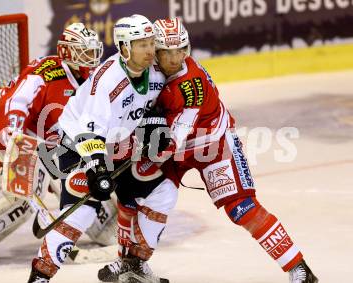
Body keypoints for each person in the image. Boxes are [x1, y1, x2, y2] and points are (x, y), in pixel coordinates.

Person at [98, 17, 319, 283]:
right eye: (169, 51)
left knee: (242, 207)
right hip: (172, 144)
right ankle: (132, 262)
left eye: (182, 49)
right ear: (154, 49)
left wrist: (137, 148)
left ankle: (299, 268)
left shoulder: (192, 85)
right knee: (136, 191)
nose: (177, 57)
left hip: (212, 144)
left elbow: (171, 142)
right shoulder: (147, 67)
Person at [0, 23, 117, 266]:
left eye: (90, 51)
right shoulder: (47, 71)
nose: (89, 57)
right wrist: (13, 135)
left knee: (83, 175)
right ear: (66, 52)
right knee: (19, 188)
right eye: (82, 51)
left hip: (45, 140)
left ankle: (105, 224)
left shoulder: (88, 78)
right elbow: (15, 102)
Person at [27, 14, 174, 283]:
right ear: (124, 47)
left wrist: (158, 127)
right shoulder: (108, 79)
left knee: (163, 192)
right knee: (82, 211)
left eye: (152, 43)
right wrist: (97, 169)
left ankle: (134, 266)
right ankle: (40, 277)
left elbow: (159, 106)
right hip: (78, 146)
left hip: (120, 147)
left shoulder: (155, 73)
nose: (151, 50)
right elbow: (89, 130)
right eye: (142, 44)